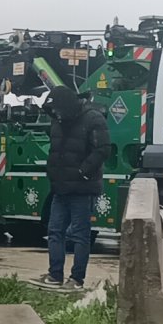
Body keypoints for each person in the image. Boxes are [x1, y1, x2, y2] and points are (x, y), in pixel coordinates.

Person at [35, 88, 110, 290]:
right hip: (60, 188)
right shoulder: (58, 121)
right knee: (54, 231)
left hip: (82, 189)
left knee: (80, 235)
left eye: (57, 110)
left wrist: (83, 172)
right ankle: (55, 275)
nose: (56, 114)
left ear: (67, 106)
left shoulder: (93, 119)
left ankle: (77, 280)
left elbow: (103, 149)